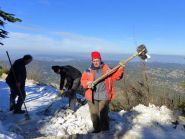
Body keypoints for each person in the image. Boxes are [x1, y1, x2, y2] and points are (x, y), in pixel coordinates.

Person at [81, 51, 125, 133]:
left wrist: (121, 68)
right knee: (94, 114)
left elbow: (117, 77)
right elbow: (83, 80)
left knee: (103, 114)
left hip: (104, 96)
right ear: (92, 61)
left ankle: (105, 131)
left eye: (97, 60)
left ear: (100, 60)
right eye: (94, 61)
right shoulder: (88, 71)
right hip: (92, 96)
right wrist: (87, 83)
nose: (96, 63)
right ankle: (96, 129)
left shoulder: (107, 69)